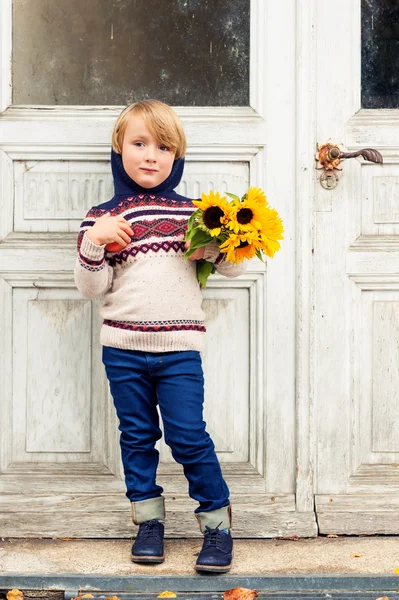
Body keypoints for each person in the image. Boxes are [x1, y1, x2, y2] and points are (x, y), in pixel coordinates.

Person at [74, 99, 245, 573]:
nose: (151, 155)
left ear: (177, 156)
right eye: (140, 143)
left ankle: (217, 526)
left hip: (179, 351)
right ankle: (149, 522)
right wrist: (96, 240)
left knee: (189, 436)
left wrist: (227, 234)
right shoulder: (102, 218)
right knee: (137, 435)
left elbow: (232, 268)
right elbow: (92, 288)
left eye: (163, 146)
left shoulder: (194, 213)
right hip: (123, 350)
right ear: (119, 148)